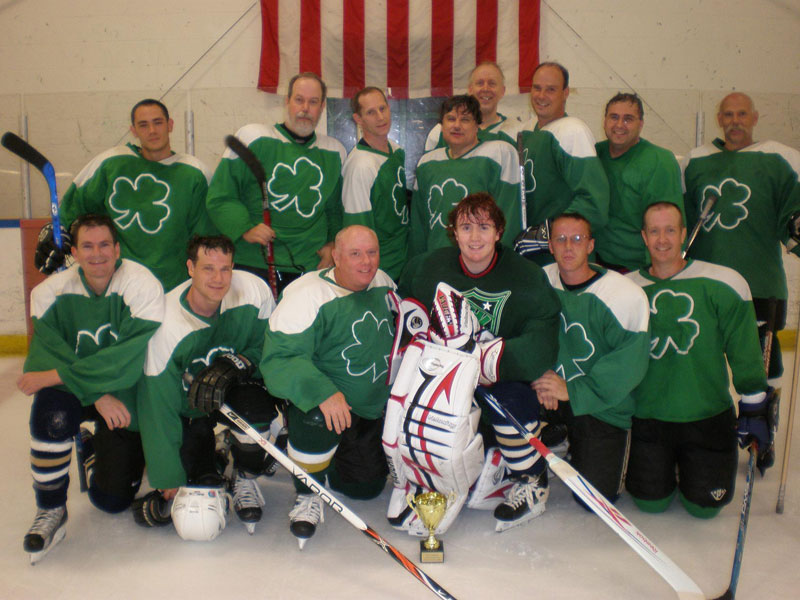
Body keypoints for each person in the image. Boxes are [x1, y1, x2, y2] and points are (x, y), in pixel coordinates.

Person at [400, 192, 561, 530]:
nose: (475, 237)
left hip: (496, 381)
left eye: (484, 227)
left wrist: (487, 361)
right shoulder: (429, 266)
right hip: (445, 379)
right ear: (454, 233)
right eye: (466, 227)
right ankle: (430, 476)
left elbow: (541, 339)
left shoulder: (526, 276)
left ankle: (532, 479)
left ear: (499, 232)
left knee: (513, 403)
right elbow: (407, 316)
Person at [18, 214, 164, 561]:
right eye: (87, 246)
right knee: (52, 414)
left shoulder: (142, 286)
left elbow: (124, 362)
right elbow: (49, 357)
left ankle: (90, 447)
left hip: (124, 393)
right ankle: (51, 508)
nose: (97, 254)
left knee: (111, 501)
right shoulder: (48, 293)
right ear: (74, 252)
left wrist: (58, 375)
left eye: (104, 245)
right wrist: (97, 394)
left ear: (117, 249)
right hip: (91, 393)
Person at [626, 202, 773, 518]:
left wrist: (754, 404)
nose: (662, 239)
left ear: (683, 233)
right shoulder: (627, 289)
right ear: (644, 237)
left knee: (704, 509)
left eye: (670, 230)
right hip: (649, 418)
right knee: (650, 504)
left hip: (707, 417)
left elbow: (744, 349)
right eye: (654, 231)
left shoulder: (723, 283)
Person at [682, 93, 800, 469]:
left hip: (761, 286)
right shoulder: (695, 161)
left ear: (755, 117)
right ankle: (706, 434)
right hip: (705, 287)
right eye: (729, 114)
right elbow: (679, 220)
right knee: (703, 367)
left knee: (759, 371)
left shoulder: (780, 158)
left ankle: (761, 435)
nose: (735, 121)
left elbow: (792, 215)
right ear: (719, 118)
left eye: (742, 114)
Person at [260, 225, 396, 548]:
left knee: (364, 488)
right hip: (327, 406)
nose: (366, 262)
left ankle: (321, 455)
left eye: (372, 252)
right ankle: (307, 491)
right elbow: (279, 359)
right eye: (355, 254)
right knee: (315, 416)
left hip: (366, 412)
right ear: (335, 256)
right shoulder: (307, 295)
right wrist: (322, 391)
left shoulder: (384, 283)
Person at [136, 235, 277, 534]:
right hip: (187, 409)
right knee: (198, 482)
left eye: (225, 269)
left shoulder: (254, 291)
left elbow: (271, 347)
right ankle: (215, 451)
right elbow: (157, 405)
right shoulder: (166, 325)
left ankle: (245, 477)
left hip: (234, 390)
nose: (218, 278)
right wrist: (168, 476)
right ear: (190, 268)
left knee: (256, 412)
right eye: (208, 268)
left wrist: (236, 363)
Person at [36, 99, 214, 291]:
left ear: (170, 125)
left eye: (158, 122)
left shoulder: (194, 173)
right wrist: (56, 233)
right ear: (133, 130)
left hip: (175, 287)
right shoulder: (111, 163)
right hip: (119, 287)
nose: (152, 131)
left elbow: (206, 239)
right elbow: (74, 207)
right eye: (143, 125)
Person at [534, 213, 649, 504]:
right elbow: (525, 335)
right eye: (560, 239)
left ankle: (581, 445)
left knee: (594, 499)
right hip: (550, 395)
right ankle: (559, 436)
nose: (568, 246)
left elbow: (628, 364)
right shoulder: (539, 281)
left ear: (590, 245)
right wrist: (539, 376)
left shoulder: (623, 294)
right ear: (550, 246)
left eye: (577, 239)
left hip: (601, 406)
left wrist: (571, 390)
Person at [206, 72, 347, 295]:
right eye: (299, 100)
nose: (305, 108)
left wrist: (332, 245)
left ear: (322, 107)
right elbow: (221, 195)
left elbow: (334, 211)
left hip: (310, 266)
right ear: (287, 101)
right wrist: (245, 228)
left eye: (313, 102)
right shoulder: (253, 138)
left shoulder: (334, 151)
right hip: (255, 262)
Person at [409, 95, 522, 259]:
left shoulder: (499, 155)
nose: (457, 125)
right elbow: (419, 224)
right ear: (442, 125)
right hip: (438, 260)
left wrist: (500, 263)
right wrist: (417, 263)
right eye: (451, 119)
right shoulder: (426, 163)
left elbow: (509, 216)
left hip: (482, 261)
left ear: (477, 125)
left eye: (465, 119)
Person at [517, 62, 609, 263]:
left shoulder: (572, 131)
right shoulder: (526, 130)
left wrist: (548, 232)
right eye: (537, 88)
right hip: (532, 258)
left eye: (551, 89)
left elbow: (594, 202)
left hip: (566, 259)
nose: (541, 96)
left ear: (565, 93)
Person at [593, 92, 684, 272]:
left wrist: (656, 274)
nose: (619, 125)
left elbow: (669, 224)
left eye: (628, 119)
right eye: (614, 117)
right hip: (598, 263)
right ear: (604, 121)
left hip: (639, 268)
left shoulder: (659, 162)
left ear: (640, 124)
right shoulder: (593, 154)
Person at [342, 86, 409, 280]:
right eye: (371, 112)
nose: (380, 117)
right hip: (381, 268)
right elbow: (357, 228)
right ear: (358, 119)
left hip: (403, 257)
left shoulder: (396, 151)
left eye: (382, 108)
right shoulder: (360, 166)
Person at [424, 61, 522, 150]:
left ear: (502, 91)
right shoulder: (441, 131)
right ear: (470, 89)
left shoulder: (517, 131)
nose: (485, 89)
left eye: (492, 83)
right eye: (480, 83)